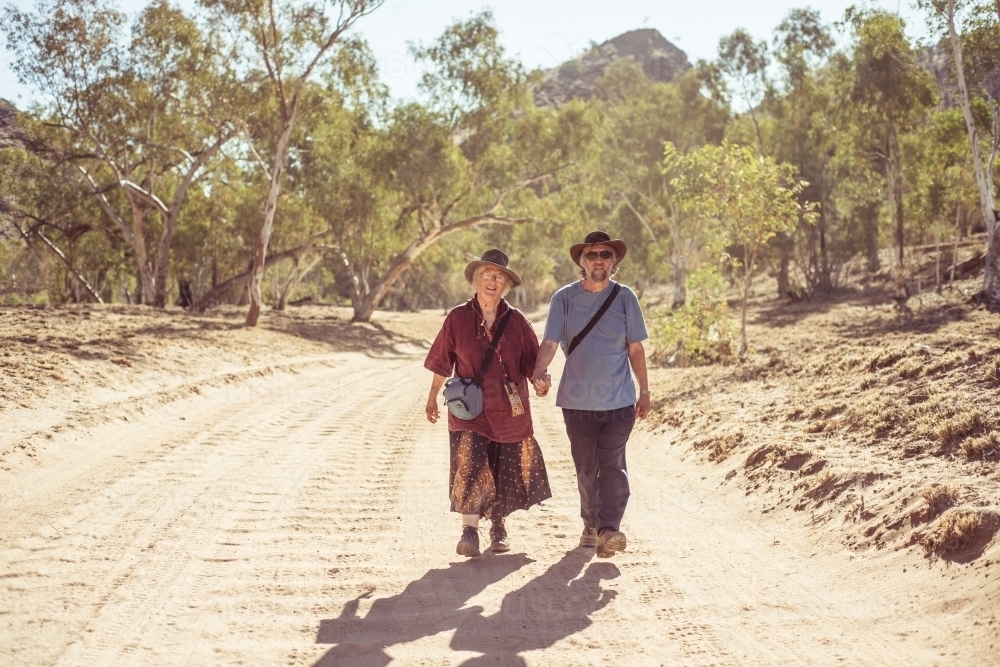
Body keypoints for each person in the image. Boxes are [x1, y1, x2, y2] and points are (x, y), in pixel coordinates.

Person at [424, 249, 552, 558]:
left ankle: (499, 527)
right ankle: (470, 532)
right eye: (487, 275)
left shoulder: (518, 322)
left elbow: (533, 364)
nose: (492, 281)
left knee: (502, 465)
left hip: (509, 411)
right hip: (470, 409)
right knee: (469, 462)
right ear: (475, 280)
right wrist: (431, 398)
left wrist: (540, 381)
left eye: (499, 277)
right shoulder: (457, 318)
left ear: (506, 285)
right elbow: (442, 360)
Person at [531, 231, 649, 558]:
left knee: (612, 465)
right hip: (577, 401)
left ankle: (609, 528)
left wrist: (645, 390)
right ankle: (591, 522)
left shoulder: (626, 298)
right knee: (587, 468)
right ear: (582, 261)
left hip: (620, 401)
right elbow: (550, 343)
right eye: (592, 254)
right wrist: (538, 371)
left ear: (614, 261)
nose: (599, 259)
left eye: (606, 254)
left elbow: (635, 349)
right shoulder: (564, 299)